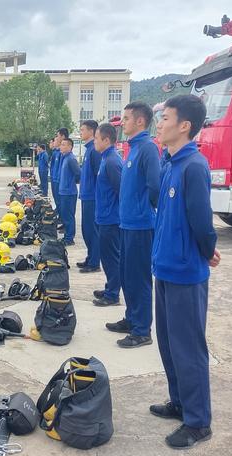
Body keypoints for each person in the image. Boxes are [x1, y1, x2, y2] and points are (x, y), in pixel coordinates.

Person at [150, 94, 220, 449]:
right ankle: (179, 402)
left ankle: (198, 421)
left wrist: (207, 252)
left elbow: (201, 221)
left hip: (185, 273)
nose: (159, 124)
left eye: (165, 118)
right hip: (164, 267)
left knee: (188, 347)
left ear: (184, 126)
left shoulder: (194, 166)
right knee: (168, 343)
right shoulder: (170, 162)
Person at [105, 101, 161, 348]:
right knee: (127, 276)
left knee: (139, 278)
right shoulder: (132, 148)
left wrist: (142, 210)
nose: (123, 123)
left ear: (140, 121)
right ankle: (131, 318)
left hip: (140, 225)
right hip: (126, 224)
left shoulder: (148, 148)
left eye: (126, 118)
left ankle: (142, 330)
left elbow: (155, 187)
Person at [93, 123, 122, 307]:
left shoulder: (112, 161)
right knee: (106, 257)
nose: (94, 141)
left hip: (112, 219)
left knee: (112, 258)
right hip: (104, 216)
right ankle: (110, 286)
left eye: (96, 138)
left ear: (106, 140)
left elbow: (121, 191)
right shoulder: (105, 158)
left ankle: (113, 294)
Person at [77, 120, 102, 273]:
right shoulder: (88, 149)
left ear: (91, 131)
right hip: (86, 196)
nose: (80, 132)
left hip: (93, 197)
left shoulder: (94, 150)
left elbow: (99, 175)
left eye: (82, 130)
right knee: (86, 230)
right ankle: (90, 256)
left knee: (92, 231)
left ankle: (94, 262)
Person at [58, 137, 81, 246]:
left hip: (69, 192)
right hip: (63, 192)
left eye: (63, 145)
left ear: (69, 147)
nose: (61, 146)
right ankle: (67, 235)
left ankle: (69, 238)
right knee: (65, 215)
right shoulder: (65, 158)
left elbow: (78, 173)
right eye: (61, 144)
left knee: (69, 216)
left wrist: (70, 183)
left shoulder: (71, 159)